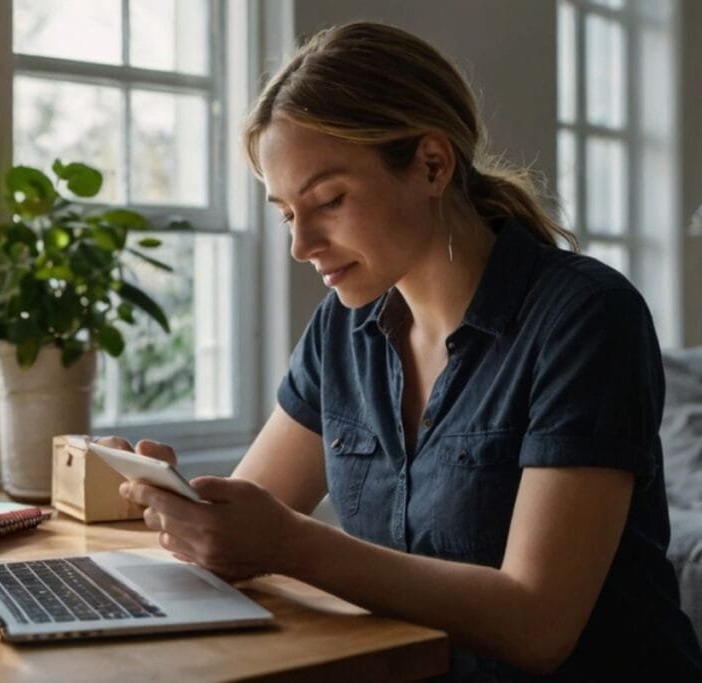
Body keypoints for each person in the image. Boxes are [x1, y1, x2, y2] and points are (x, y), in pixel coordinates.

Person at [107, 21, 702, 680]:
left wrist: (290, 543)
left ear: (431, 164)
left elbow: (538, 625)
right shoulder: (343, 330)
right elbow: (248, 514)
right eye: (285, 213)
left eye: (328, 200)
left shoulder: (585, 317)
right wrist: (192, 512)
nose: (301, 244)